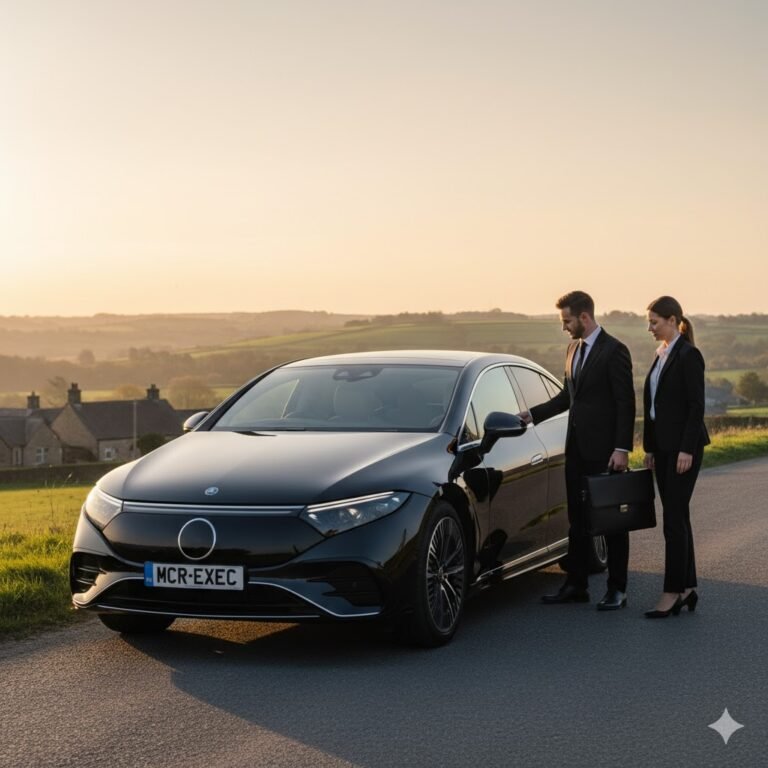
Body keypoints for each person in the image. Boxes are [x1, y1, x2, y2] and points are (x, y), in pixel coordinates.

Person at [520, 291, 635, 610]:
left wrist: (621, 448)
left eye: (566, 321)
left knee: (611, 523)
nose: (564, 327)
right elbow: (567, 396)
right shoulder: (572, 349)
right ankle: (576, 585)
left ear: (584, 317)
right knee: (578, 520)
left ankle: (617, 589)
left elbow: (626, 403)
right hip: (577, 450)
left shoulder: (615, 351)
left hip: (606, 452)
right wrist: (533, 414)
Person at [642, 296, 710, 618]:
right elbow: (656, 408)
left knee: (673, 519)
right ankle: (687, 587)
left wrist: (685, 449)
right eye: (650, 322)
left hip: (684, 449)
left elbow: (696, 406)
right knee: (678, 516)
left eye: (654, 322)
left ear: (672, 320)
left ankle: (671, 592)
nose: (650, 328)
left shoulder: (688, 354)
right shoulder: (663, 354)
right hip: (665, 449)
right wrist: (651, 448)